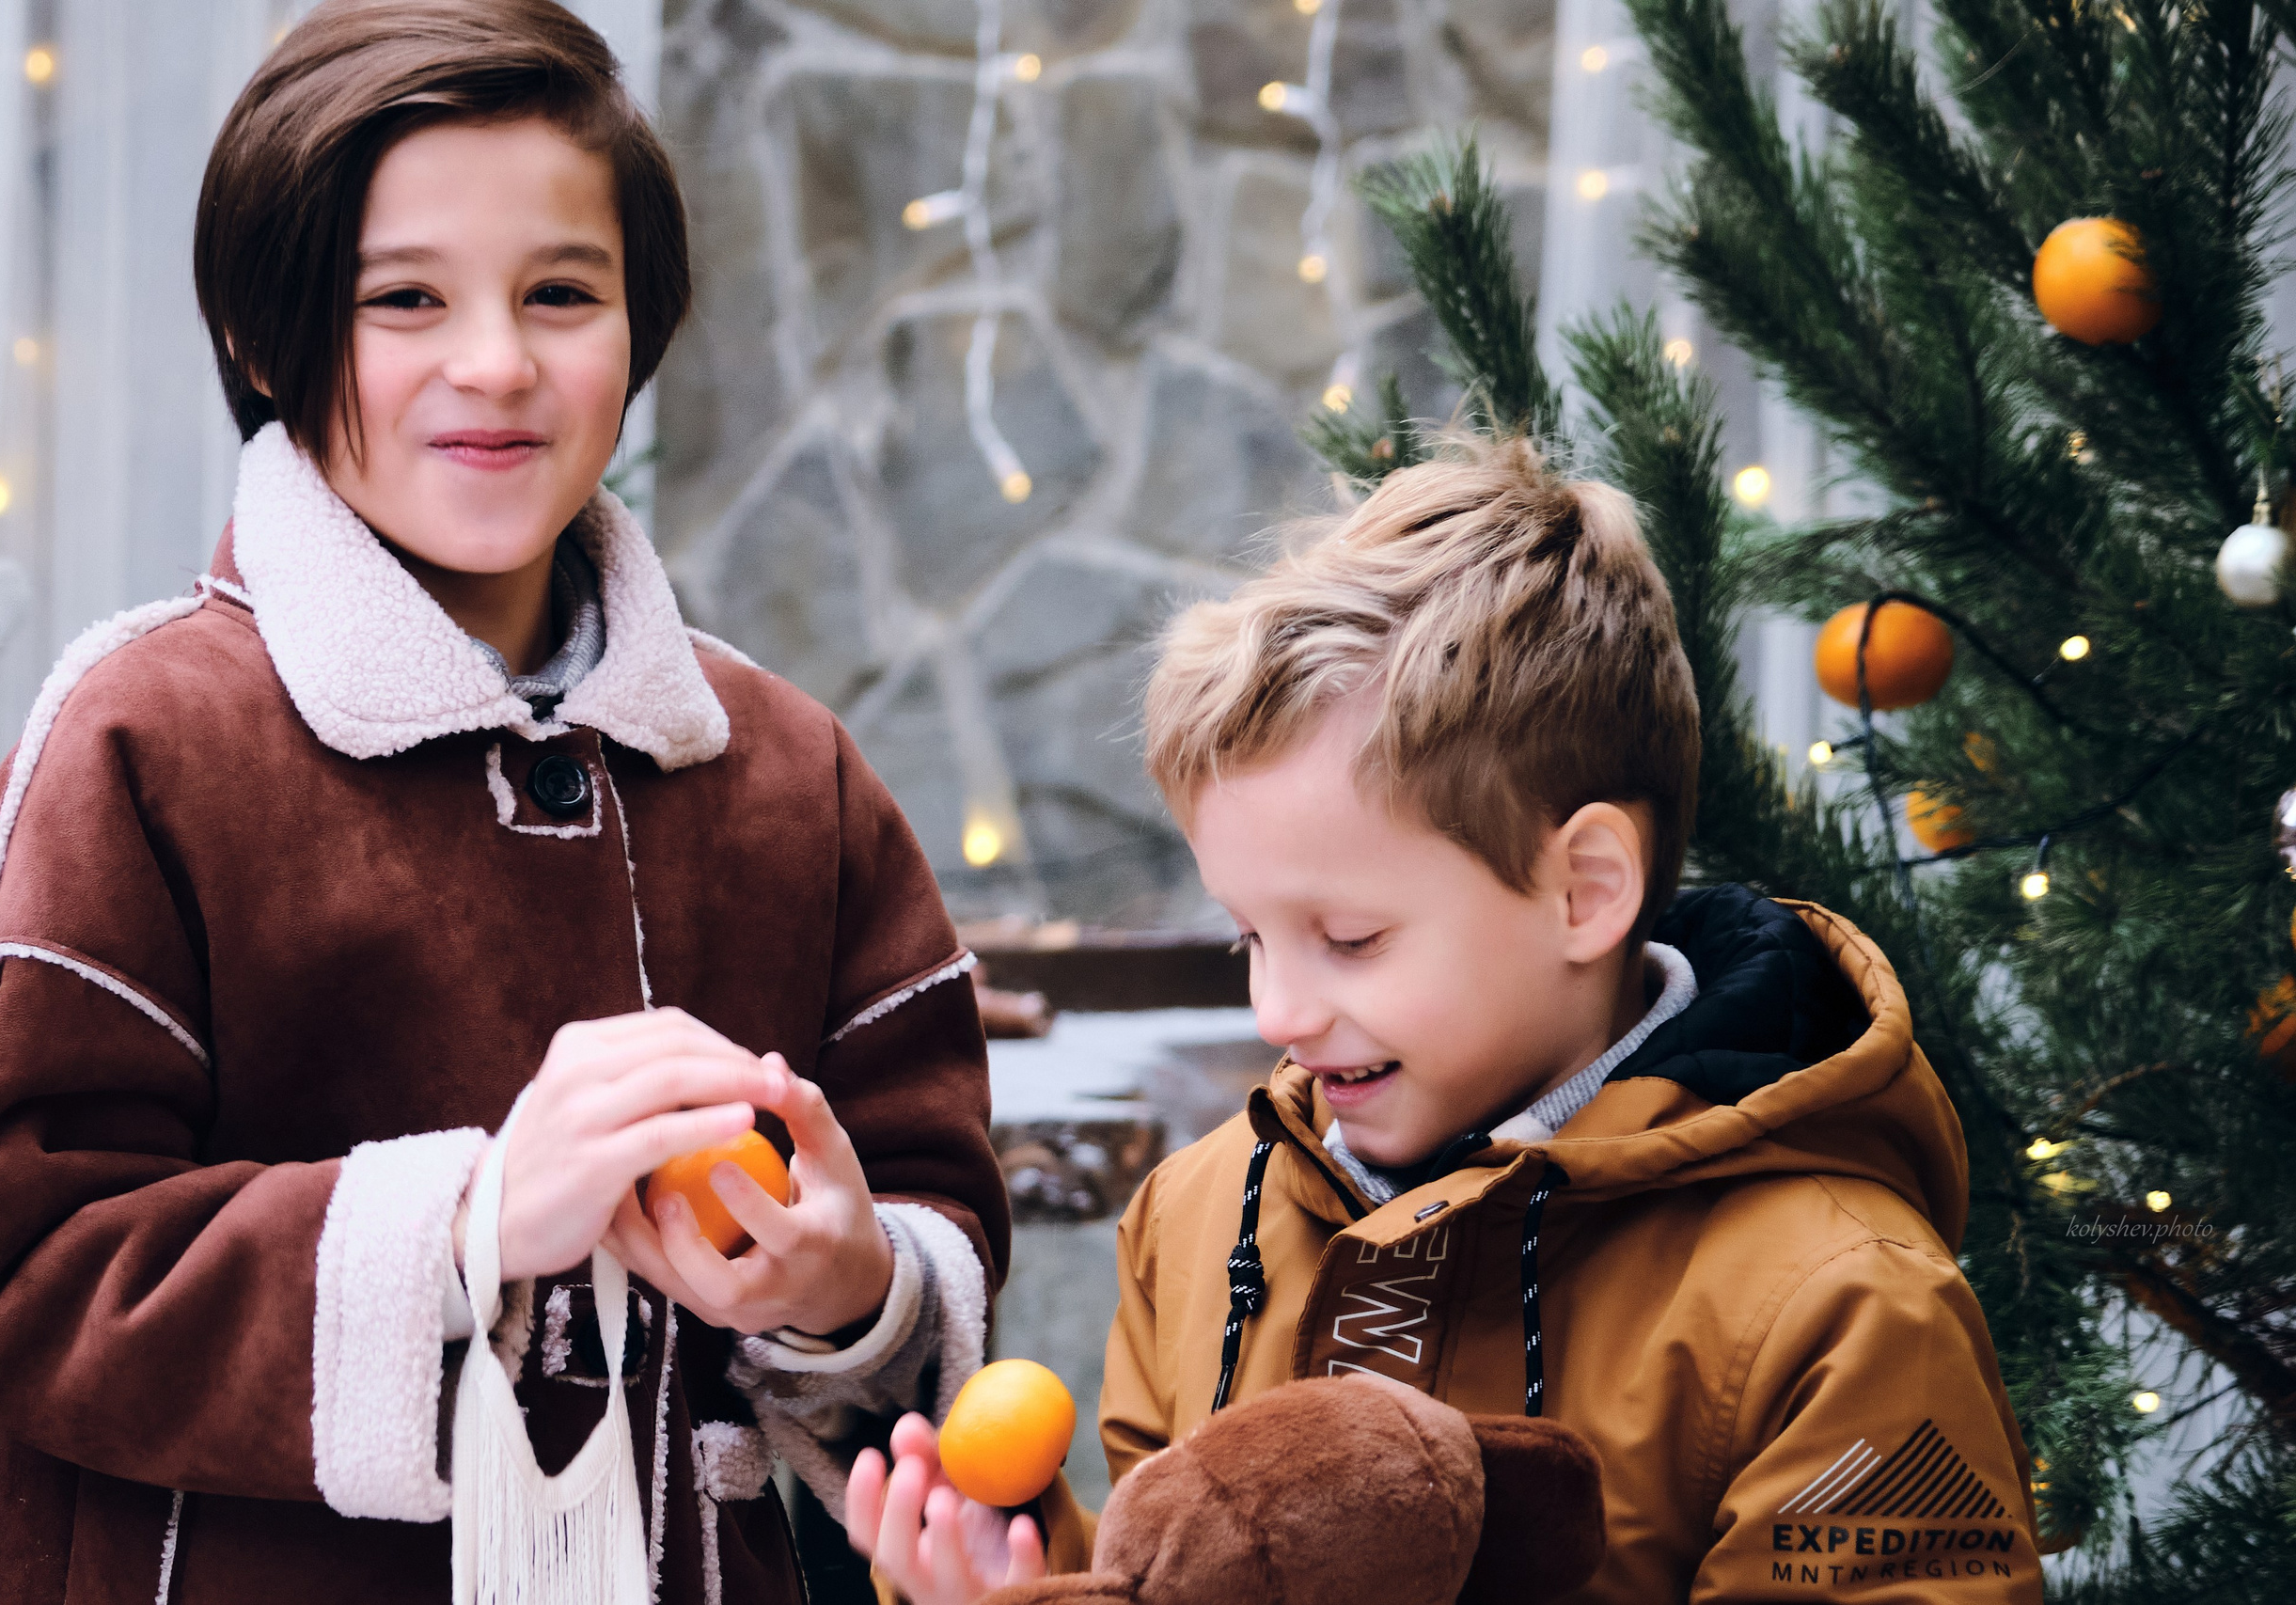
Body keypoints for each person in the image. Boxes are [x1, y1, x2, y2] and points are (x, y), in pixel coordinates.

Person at [0, 4, 1004, 1601]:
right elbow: (25, 1276)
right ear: (266, 339)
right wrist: (478, 1213)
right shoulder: (132, 740)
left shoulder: (786, 776)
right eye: (404, 299)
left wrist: (856, 1286)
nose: (494, 363)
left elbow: (935, 1233)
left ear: (643, 328)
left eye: (562, 293)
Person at [849, 435, 2043, 1603]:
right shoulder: (1202, 1218)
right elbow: (1185, 1559)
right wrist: (1029, 1572)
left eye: (1353, 940)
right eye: (1249, 936)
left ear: (1583, 891)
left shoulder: (1843, 1308)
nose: (1279, 1008)